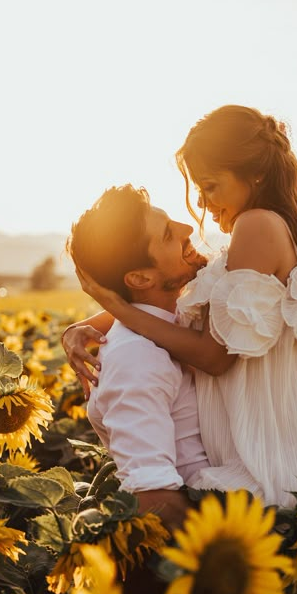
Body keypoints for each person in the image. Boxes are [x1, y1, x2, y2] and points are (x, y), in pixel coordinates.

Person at [64, 104, 297, 580]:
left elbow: (215, 358)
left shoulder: (257, 226)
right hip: (293, 468)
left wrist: (119, 312)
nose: (201, 204)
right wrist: (96, 322)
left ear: (256, 174)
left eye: (210, 185)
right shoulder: (257, 235)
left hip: (280, 475)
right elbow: (178, 294)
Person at [65, 183, 210, 531]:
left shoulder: (182, 319)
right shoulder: (137, 357)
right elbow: (154, 497)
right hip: (215, 531)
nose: (187, 229)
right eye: (166, 234)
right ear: (140, 277)